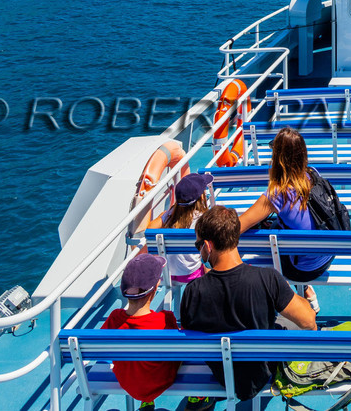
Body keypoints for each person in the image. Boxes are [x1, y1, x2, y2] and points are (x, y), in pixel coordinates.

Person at [178, 205, 317, 404]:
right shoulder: (267, 279)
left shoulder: (193, 291)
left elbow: (191, 336)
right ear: (235, 238)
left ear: (208, 246)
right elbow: (309, 321)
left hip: (223, 377)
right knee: (289, 323)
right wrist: (285, 287)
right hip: (262, 372)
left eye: (198, 245)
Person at [236, 127, 331, 311]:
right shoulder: (313, 174)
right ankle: (308, 293)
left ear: (277, 158)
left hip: (303, 268)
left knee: (252, 243)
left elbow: (239, 226)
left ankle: (284, 296)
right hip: (326, 256)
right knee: (280, 232)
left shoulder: (278, 193)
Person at [102, 254, 181, 410]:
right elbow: (176, 351)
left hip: (128, 383)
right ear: (156, 286)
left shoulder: (114, 318)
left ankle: (146, 400)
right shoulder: (165, 319)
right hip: (162, 380)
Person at [139, 171, 214, 287]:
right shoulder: (203, 219)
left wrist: (162, 216)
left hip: (168, 274)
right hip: (193, 274)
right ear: (201, 197)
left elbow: (150, 228)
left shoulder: (169, 215)